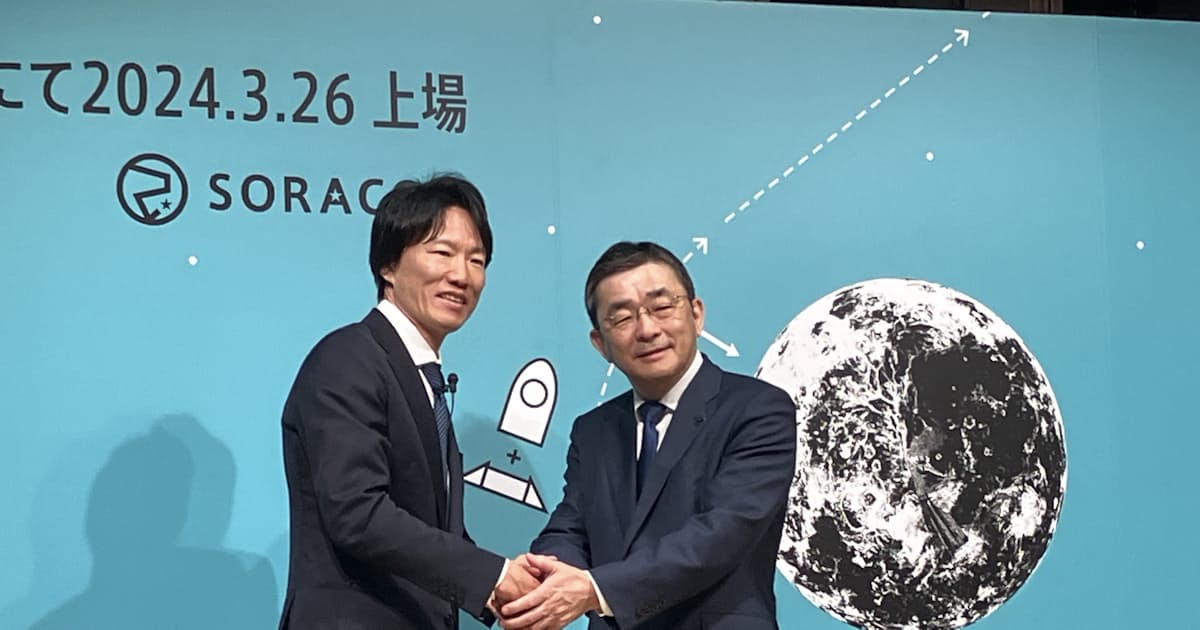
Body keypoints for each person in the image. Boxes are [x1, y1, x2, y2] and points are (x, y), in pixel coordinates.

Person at [278, 173, 537, 630]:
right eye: (442, 253)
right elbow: (357, 512)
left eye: (476, 260)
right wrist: (493, 576)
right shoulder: (348, 358)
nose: (461, 275)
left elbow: (432, 530)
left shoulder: (422, 379)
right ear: (388, 265)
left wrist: (510, 588)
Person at [500, 241, 797, 630]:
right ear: (600, 344)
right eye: (622, 318)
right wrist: (543, 573)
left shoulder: (758, 408)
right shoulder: (593, 430)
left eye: (661, 307)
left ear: (696, 314)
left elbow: (722, 533)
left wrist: (595, 590)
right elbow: (571, 526)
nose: (647, 329)